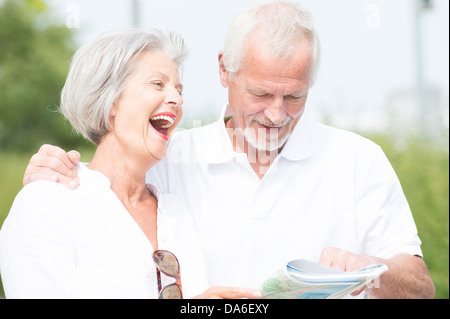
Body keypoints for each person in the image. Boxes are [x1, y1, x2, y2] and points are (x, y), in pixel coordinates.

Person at [19, 2, 435, 298]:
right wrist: (53, 175)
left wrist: (368, 271)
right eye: (260, 93)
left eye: (294, 96)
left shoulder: (358, 160)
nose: (276, 114)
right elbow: (106, 187)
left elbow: (421, 288)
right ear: (224, 70)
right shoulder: (169, 165)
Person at [0, 29, 261, 299]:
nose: (177, 99)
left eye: (178, 90)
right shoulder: (48, 202)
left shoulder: (176, 213)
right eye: (158, 84)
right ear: (110, 100)